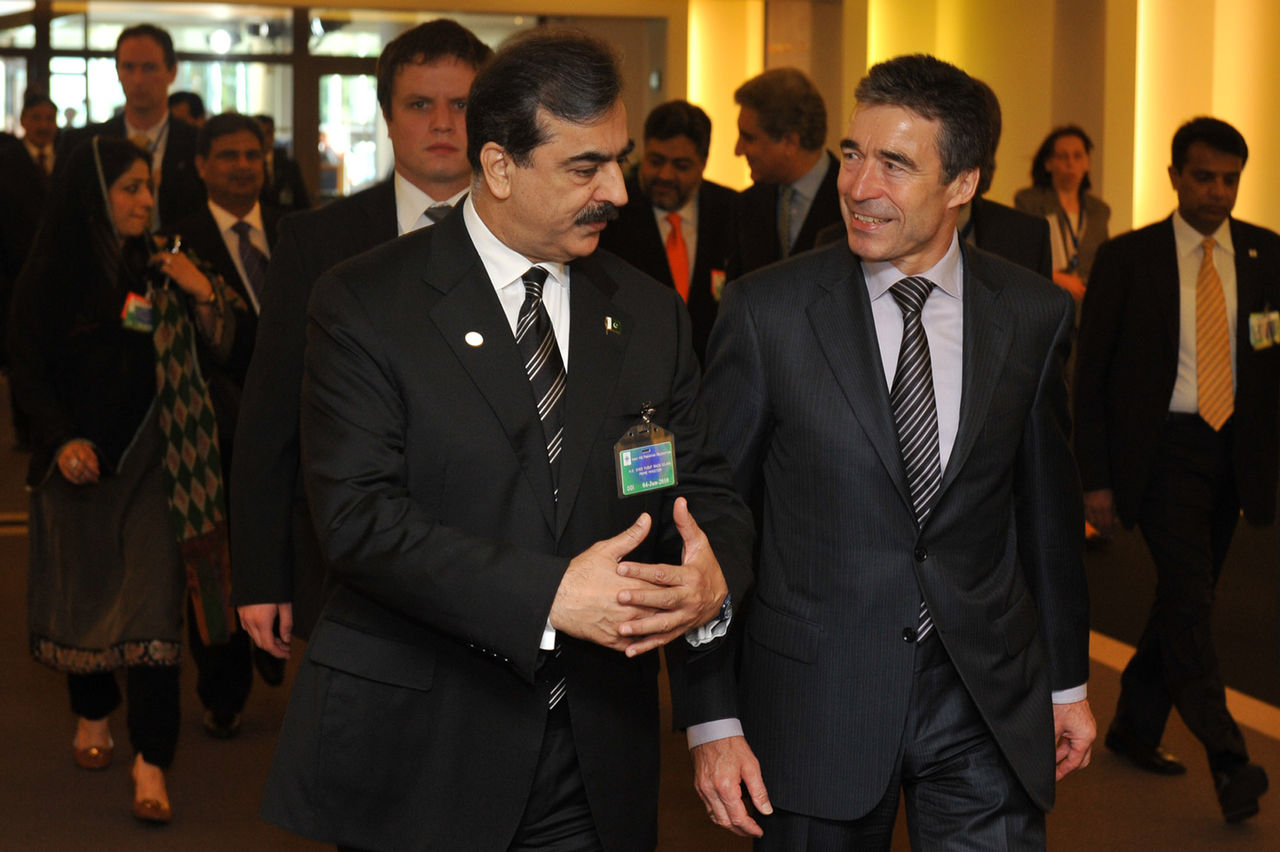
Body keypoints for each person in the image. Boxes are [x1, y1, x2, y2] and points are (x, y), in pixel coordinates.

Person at [259, 29, 753, 851]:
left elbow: (703, 493)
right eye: (585, 167)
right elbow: (358, 521)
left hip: (594, 751)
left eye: (619, 161)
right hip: (424, 747)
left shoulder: (647, 313)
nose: (618, 191)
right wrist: (549, 595)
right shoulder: (367, 302)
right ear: (498, 166)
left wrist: (713, 575)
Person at [688, 53, 1093, 849]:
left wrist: (1067, 682)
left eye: (895, 164)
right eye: (852, 154)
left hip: (983, 697)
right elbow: (710, 519)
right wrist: (711, 715)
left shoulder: (1031, 315)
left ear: (963, 184)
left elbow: (1046, 516)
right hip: (817, 701)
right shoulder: (768, 313)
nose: (857, 185)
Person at [230, 18, 492, 663]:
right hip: (344, 563)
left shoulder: (534, 238)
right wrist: (261, 574)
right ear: (387, 116)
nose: (442, 123)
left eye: (462, 105)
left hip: (496, 562)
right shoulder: (316, 241)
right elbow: (269, 415)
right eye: (420, 104)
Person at [7, 136, 250, 824]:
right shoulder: (50, 272)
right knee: (86, 599)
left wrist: (203, 292)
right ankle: (92, 712)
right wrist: (61, 441)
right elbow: (27, 368)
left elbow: (228, 343)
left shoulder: (167, 263)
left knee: (152, 614)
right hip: (79, 469)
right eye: (130, 188)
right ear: (95, 195)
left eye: (149, 187)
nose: (146, 201)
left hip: (160, 467)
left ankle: (151, 756)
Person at [1075, 116, 1277, 823]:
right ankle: (1230, 760)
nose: (1218, 191)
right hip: (1162, 454)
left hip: (1235, 454)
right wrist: (1094, 478)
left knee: (1184, 599)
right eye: (1204, 177)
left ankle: (1135, 724)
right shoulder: (1130, 258)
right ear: (1174, 177)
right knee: (1191, 602)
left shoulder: (1266, 254)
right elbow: (1090, 376)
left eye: (1230, 179)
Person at [164, 111, 284, 736]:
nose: (242, 166)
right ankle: (223, 688)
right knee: (218, 562)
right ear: (201, 166)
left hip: (294, 425)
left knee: (285, 546)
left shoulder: (295, 231)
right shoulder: (176, 244)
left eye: (252, 155)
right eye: (228, 156)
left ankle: (274, 643)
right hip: (218, 434)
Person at [599, 99, 737, 362]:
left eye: (681, 165)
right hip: (634, 363)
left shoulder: (732, 210)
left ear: (703, 163)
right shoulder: (611, 212)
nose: (665, 175)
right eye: (656, 161)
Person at [58, 24, 205, 228]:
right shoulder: (85, 145)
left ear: (172, 72)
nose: (138, 80)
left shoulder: (199, 143)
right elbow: (61, 220)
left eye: (149, 68)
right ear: (117, 72)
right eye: (128, 67)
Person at [729, 67, 842, 279]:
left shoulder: (853, 201)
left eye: (749, 138)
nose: (738, 150)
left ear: (790, 142)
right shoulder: (746, 205)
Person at [1, 91, 58, 446]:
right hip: (14, 272)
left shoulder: (65, 158)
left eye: (49, 119)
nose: (42, 126)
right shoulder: (7, 161)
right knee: (20, 349)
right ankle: (25, 428)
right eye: (36, 118)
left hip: (56, 273)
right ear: (23, 121)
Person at [1014, 125, 1111, 302]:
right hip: (1044, 299)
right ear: (1048, 163)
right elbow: (1020, 257)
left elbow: (1104, 264)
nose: (1070, 163)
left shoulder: (1100, 211)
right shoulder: (1029, 202)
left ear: (1087, 163)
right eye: (1062, 156)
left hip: (1087, 303)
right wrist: (1057, 278)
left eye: (1077, 156)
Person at [255, 113, 311, 212]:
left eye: (268, 133)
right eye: (261, 134)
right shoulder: (248, 165)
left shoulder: (288, 165)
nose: (265, 139)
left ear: (273, 134)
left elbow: (302, 201)